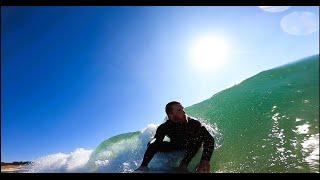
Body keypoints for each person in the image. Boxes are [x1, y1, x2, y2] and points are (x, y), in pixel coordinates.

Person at [136, 101, 215, 173]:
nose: (184, 112)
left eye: (182, 109)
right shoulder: (164, 127)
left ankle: (183, 165)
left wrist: (205, 160)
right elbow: (156, 141)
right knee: (152, 143)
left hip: (192, 146)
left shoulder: (193, 123)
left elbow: (209, 139)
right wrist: (144, 164)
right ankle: (144, 167)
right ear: (171, 115)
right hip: (177, 144)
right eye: (179, 110)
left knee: (198, 139)